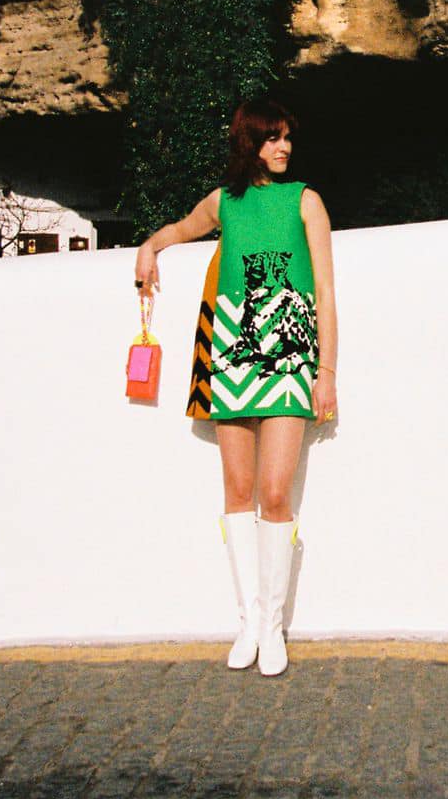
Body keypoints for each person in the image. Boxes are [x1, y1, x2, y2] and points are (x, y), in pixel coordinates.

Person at [134, 99, 338, 678]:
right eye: (272, 138)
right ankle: (248, 621)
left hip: (292, 353)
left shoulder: (306, 200)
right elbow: (181, 228)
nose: (284, 147)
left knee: (274, 493)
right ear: (250, 143)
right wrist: (149, 247)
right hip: (232, 350)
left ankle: (272, 625)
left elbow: (326, 291)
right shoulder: (224, 201)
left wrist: (326, 372)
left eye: (288, 137)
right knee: (238, 489)